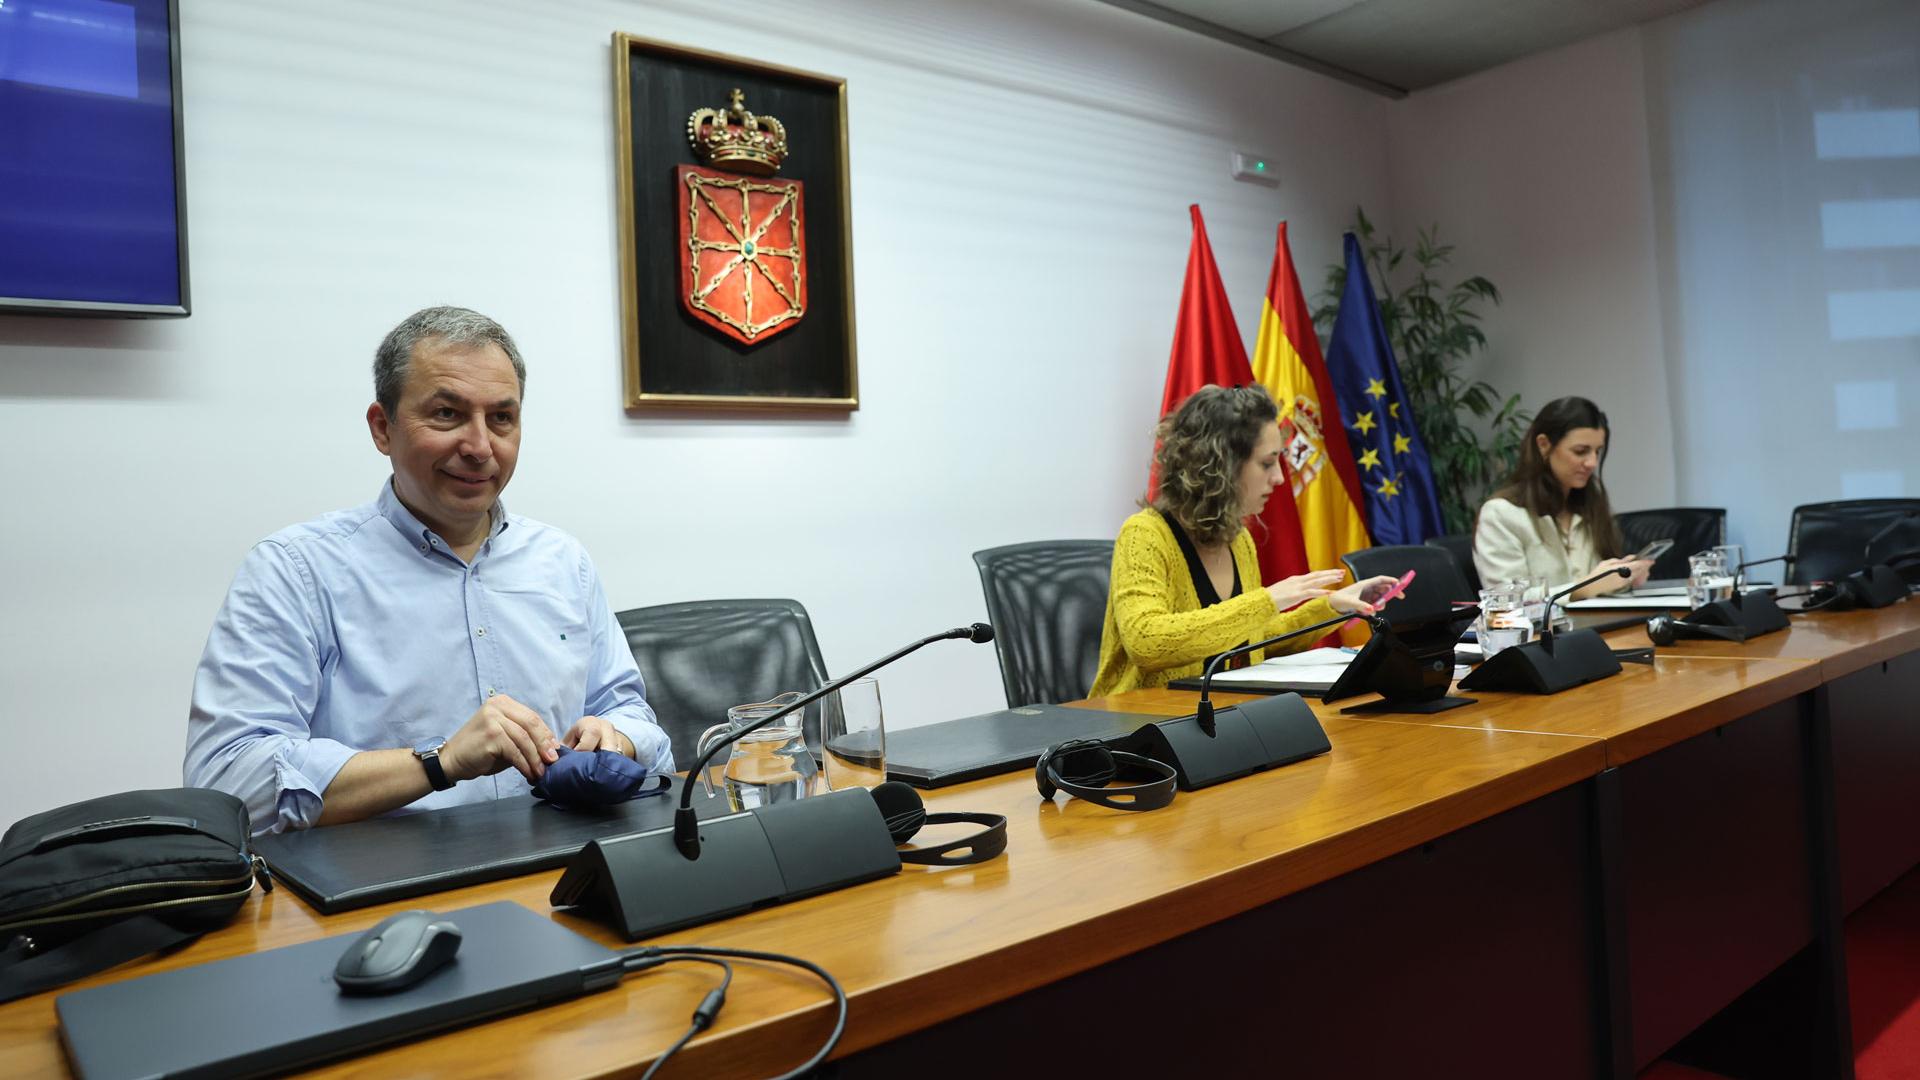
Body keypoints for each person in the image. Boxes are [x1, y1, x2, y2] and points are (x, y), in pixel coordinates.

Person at [185, 306, 672, 836]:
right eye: (446, 414)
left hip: (557, 868)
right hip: (379, 893)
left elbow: (632, 715)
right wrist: (439, 763)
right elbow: (227, 782)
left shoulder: (563, 562)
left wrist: (614, 738)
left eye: (502, 419)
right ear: (382, 428)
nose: (480, 446)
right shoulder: (296, 571)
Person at [1089, 385, 1399, 698]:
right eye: (1267, 463)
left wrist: (1331, 607)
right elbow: (1148, 643)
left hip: (1217, 719)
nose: (1279, 478)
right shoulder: (1144, 534)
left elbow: (1252, 639)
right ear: (1221, 465)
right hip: (1137, 727)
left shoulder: (1239, 539)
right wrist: (1268, 600)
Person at [1473, 395, 1651, 599]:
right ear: (1543, 445)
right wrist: (1584, 588)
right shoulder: (1500, 514)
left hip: (1596, 627)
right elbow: (1507, 602)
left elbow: (1600, 589)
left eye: (1597, 451)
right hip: (1542, 631)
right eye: (1580, 451)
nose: (1592, 463)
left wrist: (1624, 578)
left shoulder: (1590, 502)